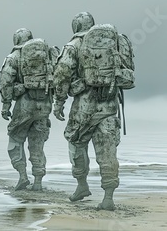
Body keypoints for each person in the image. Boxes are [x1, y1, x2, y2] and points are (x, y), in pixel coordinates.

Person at [53, 12, 135, 210]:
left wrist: (59, 102)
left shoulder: (74, 45)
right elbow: (129, 68)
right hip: (109, 106)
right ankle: (108, 197)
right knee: (107, 151)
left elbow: (62, 73)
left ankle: (81, 185)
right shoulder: (114, 41)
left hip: (83, 108)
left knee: (76, 142)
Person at [0, 28, 59, 191]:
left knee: (15, 140)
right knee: (37, 144)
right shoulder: (47, 54)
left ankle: (22, 176)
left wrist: (6, 105)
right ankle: (38, 181)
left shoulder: (13, 57)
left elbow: (6, 81)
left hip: (24, 105)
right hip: (44, 105)